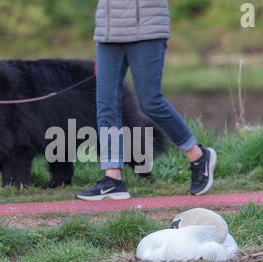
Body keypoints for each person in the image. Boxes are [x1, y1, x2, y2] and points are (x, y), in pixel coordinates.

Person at [77, 0, 217, 201]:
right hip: (109, 30)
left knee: (150, 101)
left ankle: (197, 155)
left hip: (146, 28)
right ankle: (113, 178)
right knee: (106, 104)